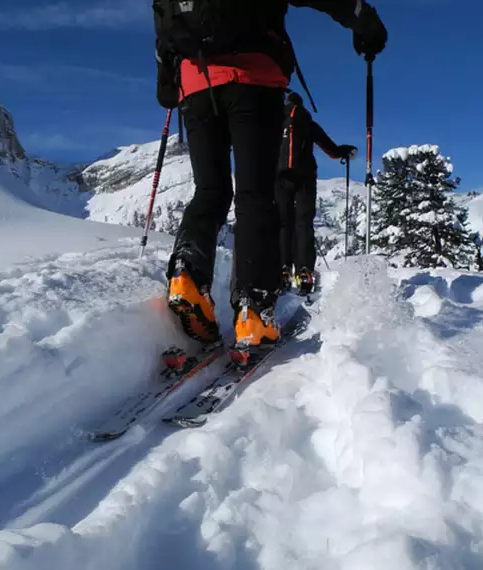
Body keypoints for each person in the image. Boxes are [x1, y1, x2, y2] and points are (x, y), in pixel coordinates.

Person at [153, 0, 387, 359]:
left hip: (194, 83)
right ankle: (253, 307)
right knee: (255, 196)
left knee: (210, 190)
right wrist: (363, 19)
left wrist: (167, 81)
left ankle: (188, 275)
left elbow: (164, 26)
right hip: (255, 78)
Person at [276, 91, 357, 295]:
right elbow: (330, 149)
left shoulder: (277, 119)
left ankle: (282, 269)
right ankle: (304, 272)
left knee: (283, 222)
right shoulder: (307, 122)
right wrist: (345, 151)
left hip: (280, 176)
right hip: (305, 177)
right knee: (304, 222)